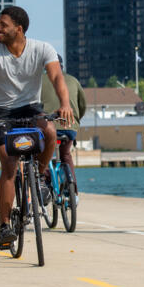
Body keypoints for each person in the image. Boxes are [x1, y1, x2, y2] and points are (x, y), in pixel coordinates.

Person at [0, 6, 74, 249]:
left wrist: (65, 104)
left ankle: (40, 176)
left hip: (30, 107)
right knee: (9, 165)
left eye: (3, 25)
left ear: (18, 29)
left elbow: (57, 78)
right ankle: (5, 226)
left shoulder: (43, 49)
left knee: (50, 130)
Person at [41, 54, 86, 189]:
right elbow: (82, 106)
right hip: (69, 126)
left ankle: (45, 182)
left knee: (43, 157)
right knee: (65, 155)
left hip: (46, 127)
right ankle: (74, 191)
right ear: (62, 66)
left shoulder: (38, 81)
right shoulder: (73, 80)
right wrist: (75, 121)